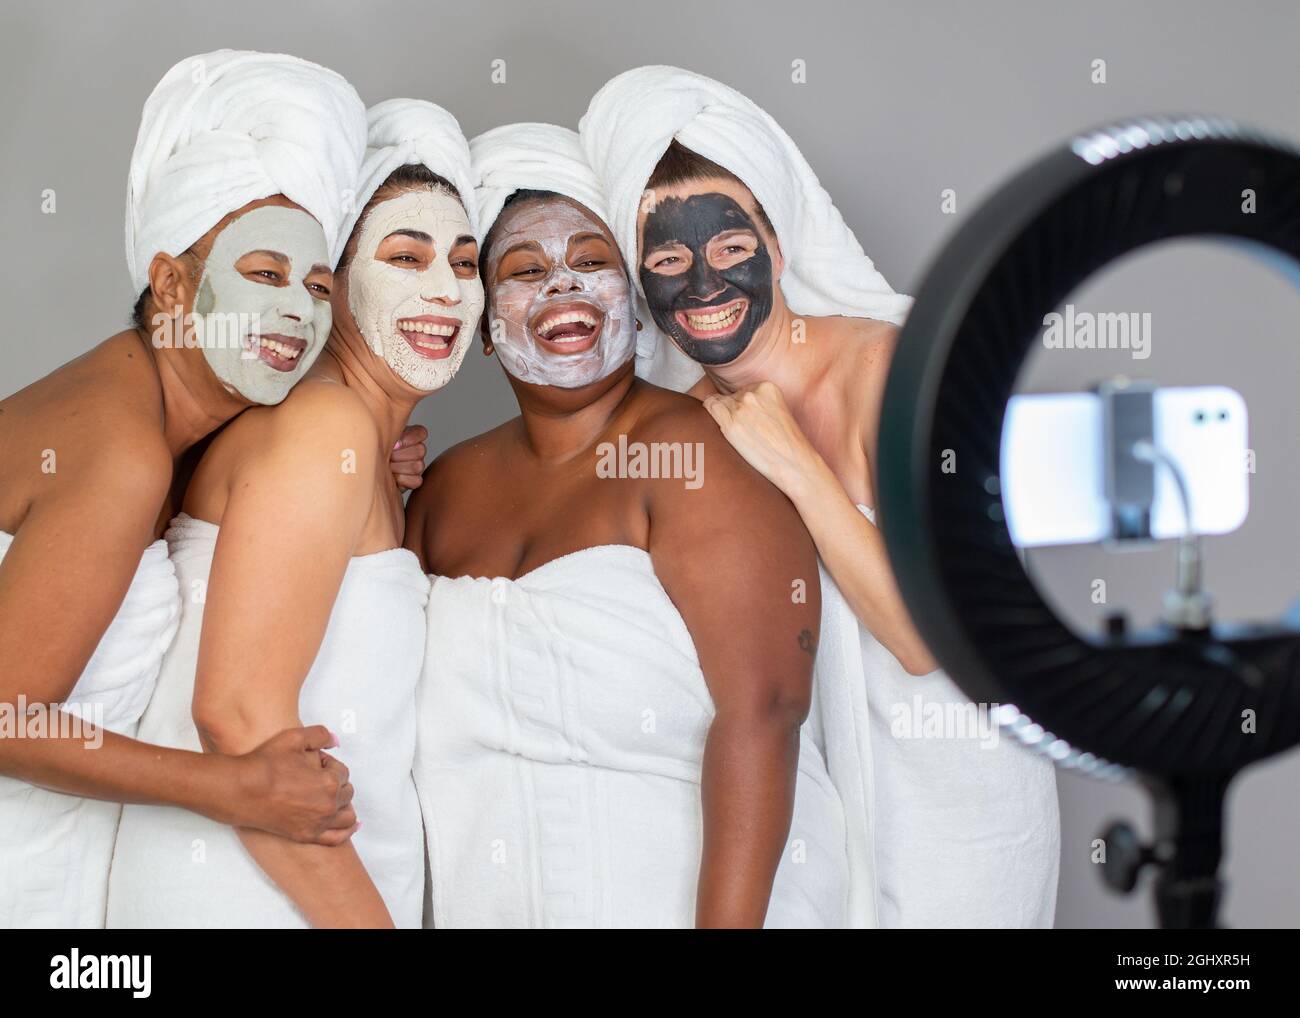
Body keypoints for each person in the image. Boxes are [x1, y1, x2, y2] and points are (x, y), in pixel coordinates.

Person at [580, 66, 1060, 928]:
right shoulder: (683, 425)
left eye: (731, 249)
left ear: (781, 242)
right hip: (809, 810)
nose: (704, 286)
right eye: (666, 260)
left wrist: (793, 462)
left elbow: (923, 637)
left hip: (961, 805)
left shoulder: (895, 370)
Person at [406, 123, 874, 929]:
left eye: (592, 261)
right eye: (524, 270)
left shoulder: (692, 451)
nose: (563, 287)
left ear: (637, 302)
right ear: (484, 328)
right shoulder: (445, 486)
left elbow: (764, 709)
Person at [0, 49, 368, 929]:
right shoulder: (121, 449)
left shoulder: (159, 420)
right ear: (170, 283)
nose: (297, 313)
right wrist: (237, 787)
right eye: (266, 275)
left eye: (318, 287)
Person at [105, 100, 484, 930]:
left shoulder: (354, 448)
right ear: (335, 284)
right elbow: (237, 716)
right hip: (244, 899)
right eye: (405, 256)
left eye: (464, 261)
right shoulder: (325, 428)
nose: (445, 291)